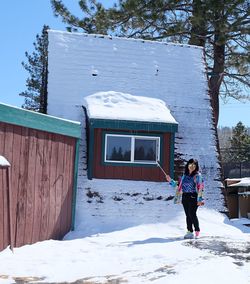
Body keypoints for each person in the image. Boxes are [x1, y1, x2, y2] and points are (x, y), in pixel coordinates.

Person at [166, 158, 204, 239]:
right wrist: (170, 181)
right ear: (188, 165)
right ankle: (189, 231)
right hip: (185, 197)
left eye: (194, 165)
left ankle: (197, 230)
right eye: (190, 164)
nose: (192, 166)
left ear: (196, 166)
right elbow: (179, 186)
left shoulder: (198, 176)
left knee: (192, 213)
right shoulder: (184, 175)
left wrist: (199, 200)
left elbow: (200, 187)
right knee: (188, 215)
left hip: (193, 196)